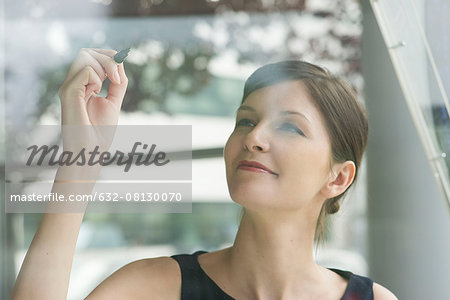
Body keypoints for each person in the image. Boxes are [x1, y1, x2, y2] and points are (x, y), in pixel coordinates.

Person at [11, 48, 398, 300]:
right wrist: (80, 161)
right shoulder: (153, 288)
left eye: (290, 127)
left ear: (338, 178)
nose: (255, 137)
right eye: (246, 121)